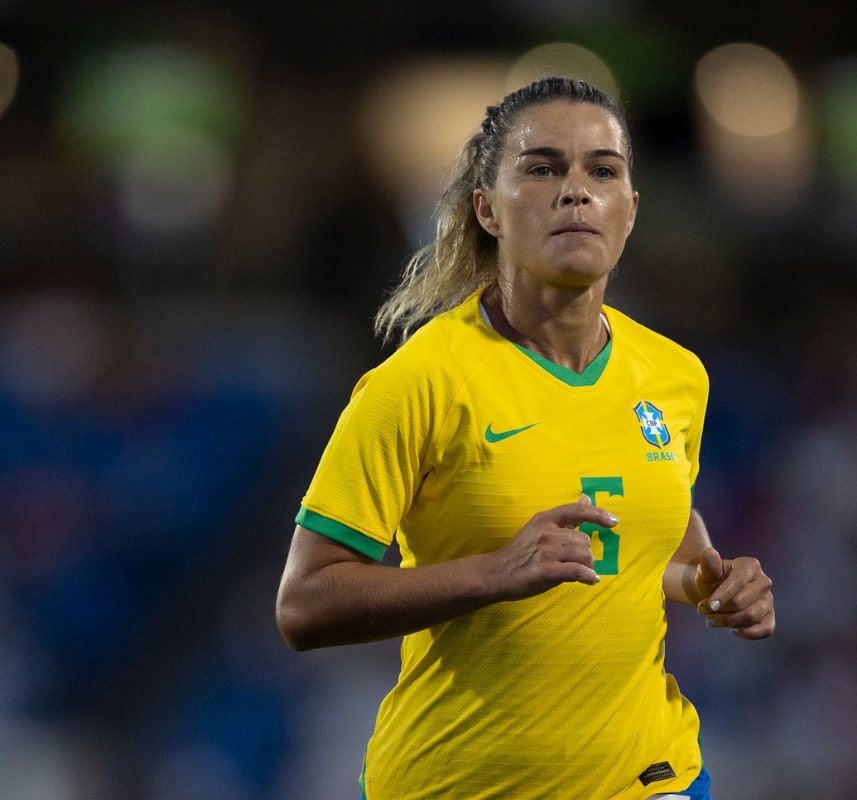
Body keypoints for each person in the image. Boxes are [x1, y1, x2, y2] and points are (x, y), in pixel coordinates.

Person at [275, 76, 775, 800]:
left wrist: (713, 584)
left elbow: (648, 541)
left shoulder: (674, 375)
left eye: (602, 171)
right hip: (460, 783)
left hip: (650, 778)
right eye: (542, 168)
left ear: (629, 211)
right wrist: (493, 574)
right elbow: (304, 605)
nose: (576, 191)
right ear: (487, 209)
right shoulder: (419, 382)